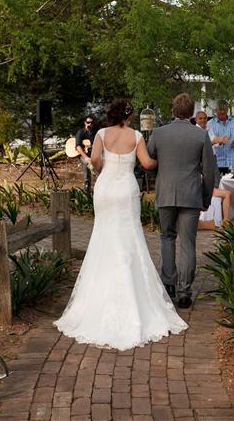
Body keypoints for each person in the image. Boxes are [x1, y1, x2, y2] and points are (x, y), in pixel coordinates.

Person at [54, 99, 187, 350]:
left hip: (105, 189)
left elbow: (94, 160)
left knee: (102, 236)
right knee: (129, 237)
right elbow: (147, 164)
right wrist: (162, 162)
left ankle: (97, 300)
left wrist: (104, 166)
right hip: (126, 189)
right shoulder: (136, 136)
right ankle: (134, 297)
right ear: (129, 116)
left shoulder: (101, 133)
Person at [147, 94, 215, 309]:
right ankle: (185, 292)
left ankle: (169, 285)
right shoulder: (200, 135)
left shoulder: (158, 133)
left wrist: (157, 182)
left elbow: (149, 163)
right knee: (188, 244)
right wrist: (206, 198)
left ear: (172, 110)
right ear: (192, 112)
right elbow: (209, 172)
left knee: (167, 237)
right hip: (191, 195)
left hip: (166, 193)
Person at [195, 110, 231, 221]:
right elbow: (201, 145)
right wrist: (216, 141)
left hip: (213, 158)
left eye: (205, 118)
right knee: (209, 182)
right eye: (200, 118)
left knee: (216, 180)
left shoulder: (209, 129)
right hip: (203, 160)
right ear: (196, 119)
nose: (203, 120)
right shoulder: (196, 131)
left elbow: (214, 143)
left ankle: (214, 204)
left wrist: (221, 141)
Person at [207, 100, 234, 175]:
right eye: (220, 110)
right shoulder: (210, 123)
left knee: (232, 185)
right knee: (218, 185)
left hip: (233, 162)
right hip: (217, 162)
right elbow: (207, 142)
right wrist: (218, 141)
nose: (222, 112)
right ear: (216, 110)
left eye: (224, 109)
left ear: (227, 110)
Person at [75, 115, 98, 191]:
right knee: (87, 165)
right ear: (85, 123)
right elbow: (78, 146)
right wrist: (86, 157)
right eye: (88, 122)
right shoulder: (80, 132)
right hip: (83, 154)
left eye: (91, 123)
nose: (90, 124)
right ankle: (86, 189)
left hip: (92, 154)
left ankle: (98, 188)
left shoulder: (95, 133)